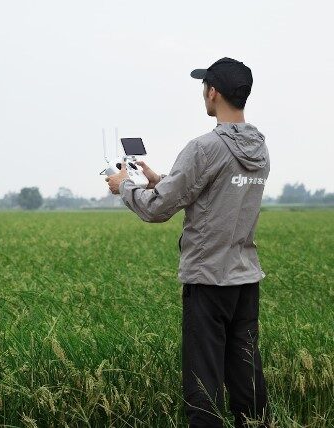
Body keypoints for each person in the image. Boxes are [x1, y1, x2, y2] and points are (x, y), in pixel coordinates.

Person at [105, 57, 270, 428]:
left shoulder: (204, 147)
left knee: (203, 381)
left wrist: (124, 187)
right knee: (246, 374)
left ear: (213, 92)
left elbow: (158, 209)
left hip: (208, 279)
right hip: (244, 278)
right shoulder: (260, 148)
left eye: (204, 88)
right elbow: (216, 189)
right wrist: (159, 178)